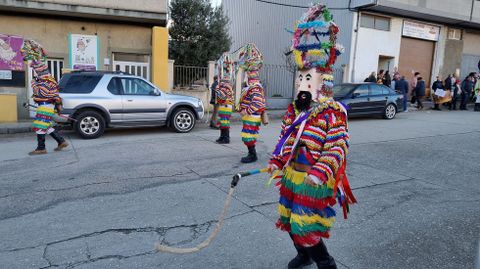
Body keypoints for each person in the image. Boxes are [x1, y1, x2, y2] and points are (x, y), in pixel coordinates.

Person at [269, 4, 355, 269]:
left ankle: (326, 263)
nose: (301, 84)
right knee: (287, 218)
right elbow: (285, 139)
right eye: (300, 78)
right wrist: (277, 161)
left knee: (304, 224)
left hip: (315, 179)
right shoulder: (295, 110)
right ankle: (304, 255)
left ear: (323, 83)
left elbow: (337, 148)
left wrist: (319, 172)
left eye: (308, 79)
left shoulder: (333, 113)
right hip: (292, 175)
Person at [21, 40, 68, 155]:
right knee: (45, 125)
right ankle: (61, 141)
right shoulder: (48, 80)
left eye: (35, 69)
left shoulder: (44, 81)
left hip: (46, 106)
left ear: (39, 70)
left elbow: (41, 93)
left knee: (40, 125)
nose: (33, 69)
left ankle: (41, 148)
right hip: (47, 106)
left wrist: (33, 83)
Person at [237, 43, 266, 163]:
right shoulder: (251, 86)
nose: (246, 75)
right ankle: (251, 153)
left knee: (248, 135)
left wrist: (246, 110)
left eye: (247, 73)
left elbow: (258, 103)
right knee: (248, 134)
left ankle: (252, 155)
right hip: (249, 116)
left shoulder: (254, 86)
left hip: (251, 116)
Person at [214, 54, 234, 144]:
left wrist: (217, 90)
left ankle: (226, 138)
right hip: (222, 105)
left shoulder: (227, 84)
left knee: (225, 121)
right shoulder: (222, 84)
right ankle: (222, 136)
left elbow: (224, 95)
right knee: (222, 121)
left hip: (226, 105)